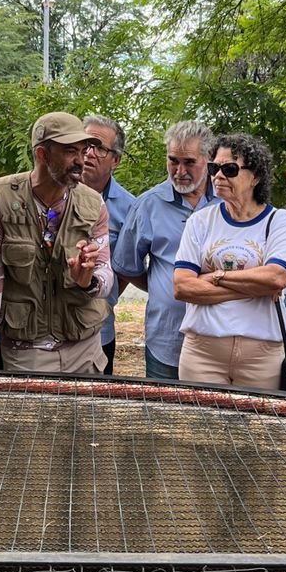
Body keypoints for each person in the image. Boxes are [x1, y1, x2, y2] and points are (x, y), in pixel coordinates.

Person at [0, 111, 112, 377]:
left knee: (84, 419)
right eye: (71, 151)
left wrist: (88, 281)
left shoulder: (94, 203)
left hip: (84, 348)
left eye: (83, 151)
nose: (80, 161)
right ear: (42, 155)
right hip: (27, 350)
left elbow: (106, 274)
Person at [172, 133, 286, 391]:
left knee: (258, 429)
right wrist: (255, 286)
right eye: (215, 168)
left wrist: (215, 276)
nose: (218, 176)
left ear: (256, 177)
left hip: (261, 356)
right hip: (202, 352)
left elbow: (277, 278)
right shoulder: (200, 221)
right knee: (202, 428)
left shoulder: (278, 220)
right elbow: (183, 287)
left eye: (230, 169)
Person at [114, 120, 214, 379]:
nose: (179, 171)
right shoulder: (148, 205)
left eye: (189, 162)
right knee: (162, 416)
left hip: (219, 342)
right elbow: (127, 266)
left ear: (208, 158)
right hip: (167, 340)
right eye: (173, 161)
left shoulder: (229, 202)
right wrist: (163, 286)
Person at [81, 114, 136, 374]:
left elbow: (126, 268)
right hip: (46, 332)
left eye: (99, 148)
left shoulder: (129, 208)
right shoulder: (52, 194)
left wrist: (105, 297)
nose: (88, 153)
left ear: (116, 160)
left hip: (100, 330)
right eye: (85, 144)